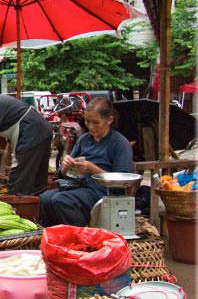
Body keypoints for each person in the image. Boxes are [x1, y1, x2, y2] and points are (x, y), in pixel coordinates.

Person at [39, 97, 134, 227]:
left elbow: (124, 183)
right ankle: (51, 235)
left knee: (61, 200)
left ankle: (82, 236)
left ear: (109, 120)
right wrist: (66, 167)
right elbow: (63, 174)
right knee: (45, 199)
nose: (90, 127)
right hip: (80, 186)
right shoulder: (84, 140)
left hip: (104, 192)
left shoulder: (119, 144)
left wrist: (93, 169)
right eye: (87, 122)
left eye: (96, 122)